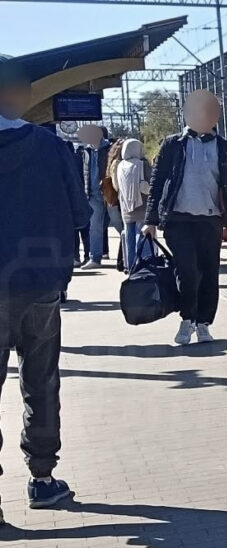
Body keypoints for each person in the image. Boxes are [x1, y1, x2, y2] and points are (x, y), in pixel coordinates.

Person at [0, 54, 89, 516]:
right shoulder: (52, 148)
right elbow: (80, 213)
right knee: (41, 383)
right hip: (39, 284)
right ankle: (43, 478)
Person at [143, 89, 227, 346]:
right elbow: (157, 183)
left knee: (209, 273)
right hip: (177, 219)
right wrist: (150, 220)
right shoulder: (172, 145)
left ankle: (204, 323)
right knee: (187, 271)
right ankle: (187, 318)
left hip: (210, 220)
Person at [76, 124, 111, 269]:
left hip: (110, 193)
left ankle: (131, 256)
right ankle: (95, 258)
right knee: (95, 227)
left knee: (120, 225)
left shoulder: (111, 148)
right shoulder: (86, 151)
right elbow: (85, 172)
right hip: (92, 194)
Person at [115, 138, 152, 273]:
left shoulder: (119, 166)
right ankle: (144, 267)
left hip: (126, 207)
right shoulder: (143, 165)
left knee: (129, 238)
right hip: (142, 206)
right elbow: (152, 182)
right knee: (142, 237)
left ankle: (131, 267)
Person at [104, 137, 126, 270]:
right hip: (118, 202)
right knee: (124, 232)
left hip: (116, 202)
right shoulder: (117, 163)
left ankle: (122, 261)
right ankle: (123, 261)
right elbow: (116, 185)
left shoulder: (113, 162)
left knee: (124, 232)